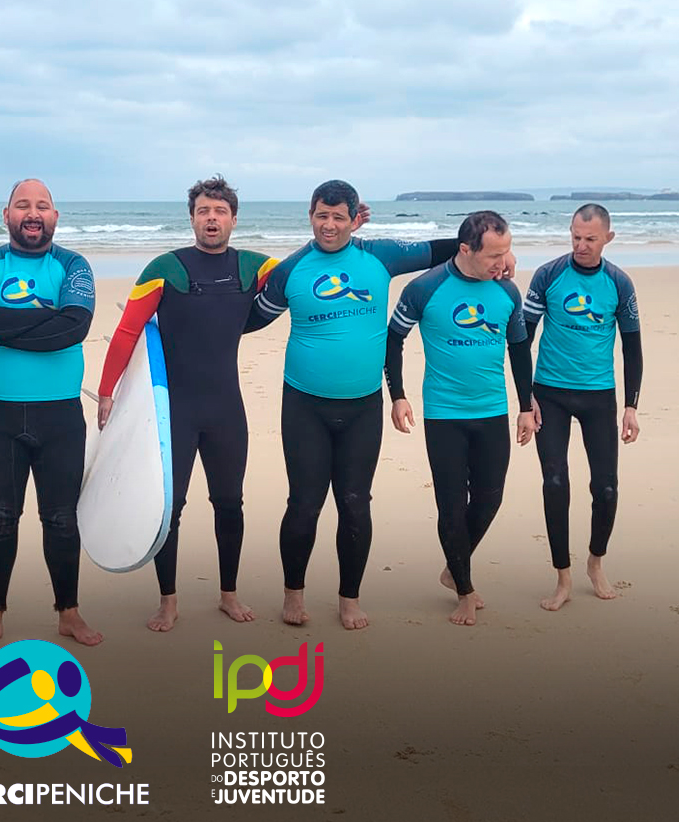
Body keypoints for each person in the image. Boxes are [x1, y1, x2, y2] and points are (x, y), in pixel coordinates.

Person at [248, 180, 514, 630]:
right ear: (309, 215)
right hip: (304, 405)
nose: (328, 225)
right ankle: (294, 593)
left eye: (338, 217)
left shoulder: (382, 256)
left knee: (355, 504)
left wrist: (498, 256)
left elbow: (445, 248)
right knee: (304, 504)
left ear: (355, 218)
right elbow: (248, 318)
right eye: (321, 215)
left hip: (362, 408)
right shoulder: (292, 270)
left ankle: (348, 598)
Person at [97, 175, 281, 632]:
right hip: (174, 412)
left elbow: (308, 274)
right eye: (203, 211)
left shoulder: (255, 266)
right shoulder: (166, 267)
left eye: (220, 211)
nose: (211, 219)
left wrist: (349, 235)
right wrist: (107, 391)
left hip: (225, 410)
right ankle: (168, 600)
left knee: (229, 503)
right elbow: (127, 331)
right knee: (169, 508)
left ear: (234, 219)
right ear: (192, 218)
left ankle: (228, 594)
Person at [0, 178, 99, 651]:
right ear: (6, 215)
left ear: (55, 217)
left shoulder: (74, 265)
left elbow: (74, 328)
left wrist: (5, 332)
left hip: (59, 416)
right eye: (23, 205)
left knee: (61, 519)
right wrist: (45, 322)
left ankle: (69, 613)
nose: (33, 213)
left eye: (42, 206)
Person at [385, 211, 536, 626]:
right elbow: (392, 338)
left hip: (492, 410)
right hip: (444, 413)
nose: (503, 262)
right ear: (465, 250)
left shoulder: (506, 292)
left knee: (489, 499)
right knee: (451, 506)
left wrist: (526, 406)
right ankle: (465, 591)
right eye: (495, 254)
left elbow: (519, 350)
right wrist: (397, 395)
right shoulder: (425, 288)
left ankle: (453, 567)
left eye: (507, 252)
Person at [523, 203, 642, 611]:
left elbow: (633, 347)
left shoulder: (619, 284)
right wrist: (526, 398)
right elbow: (522, 338)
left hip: (597, 396)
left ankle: (595, 561)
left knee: (605, 488)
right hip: (550, 394)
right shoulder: (549, 275)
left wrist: (631, 405)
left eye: (590, 238)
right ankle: (562, 577)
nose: (581, 245)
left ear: (608, 238)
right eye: (575, 236)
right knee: (555, 484)